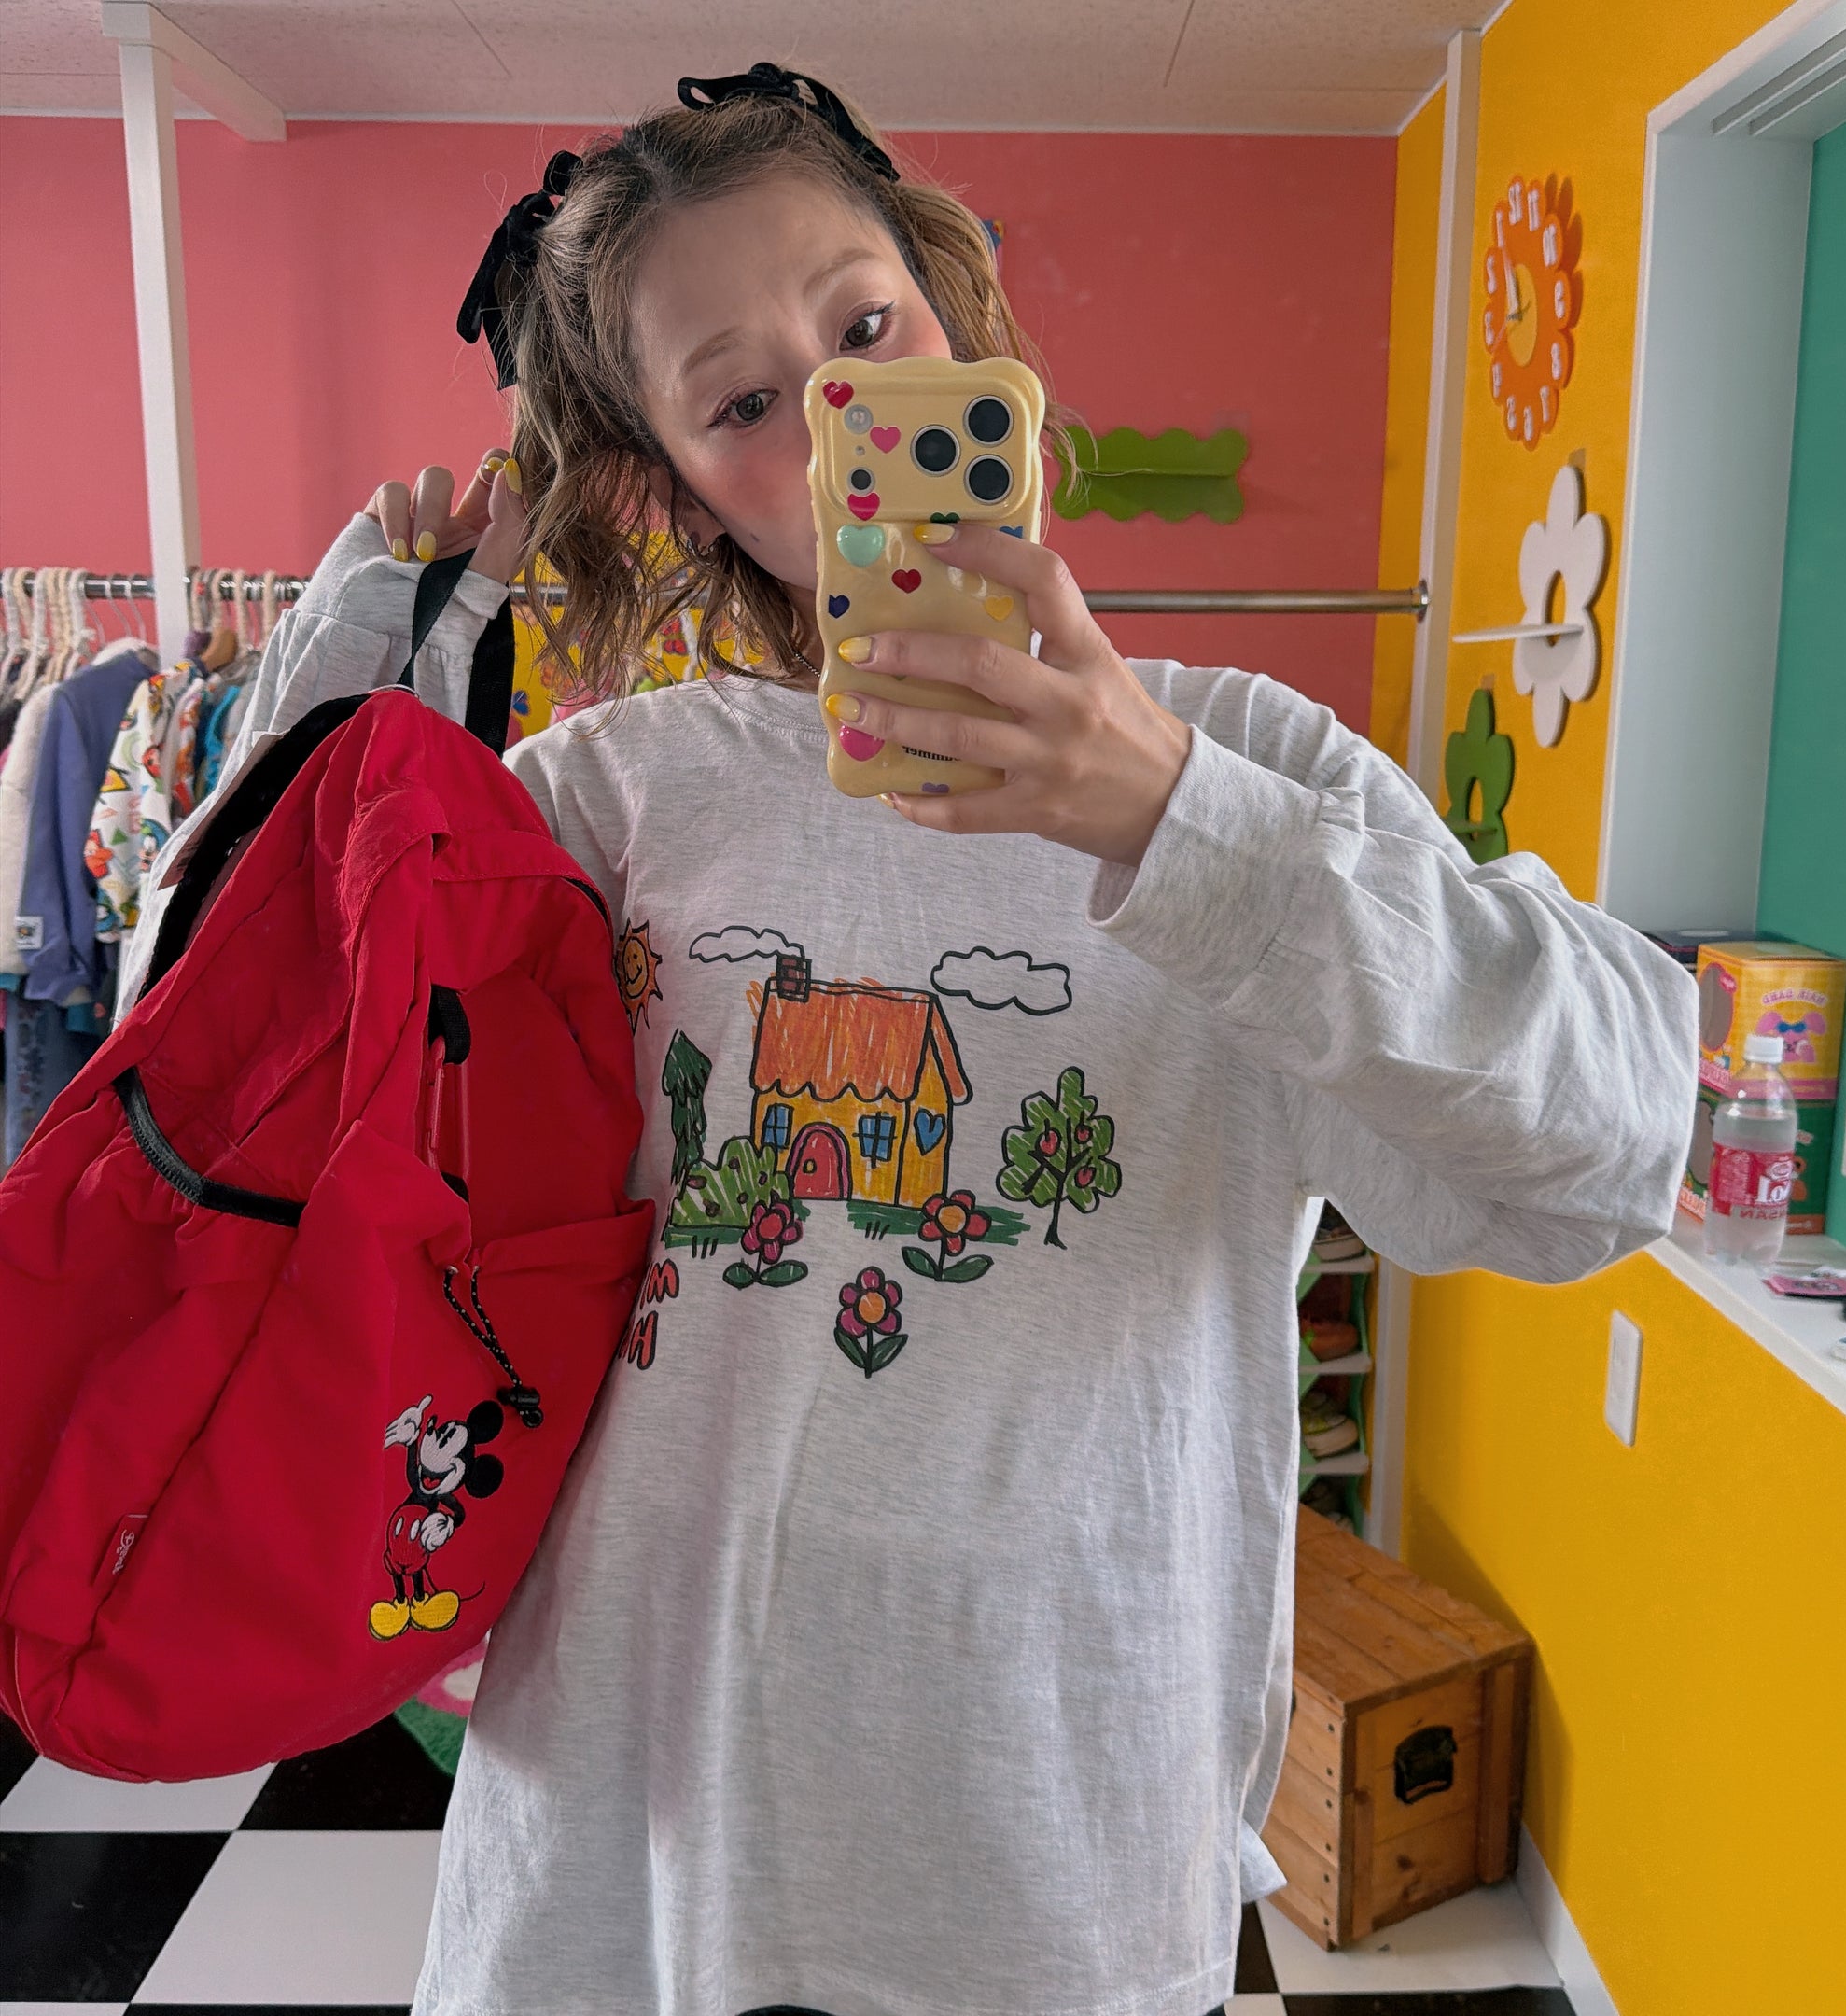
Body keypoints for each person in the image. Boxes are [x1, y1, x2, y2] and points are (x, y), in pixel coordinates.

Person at [202, 65, 1695, 2016]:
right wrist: (342, 690)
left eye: (866, 326)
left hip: (1055, 1878)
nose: (837, 419)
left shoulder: (1249, 763)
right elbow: (231, 1103)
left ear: (960, 320)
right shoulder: (603, 804)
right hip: (628, 1876)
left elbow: (1608, 1149)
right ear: (677, 486)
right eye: (744, 403)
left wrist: (1171, 819)